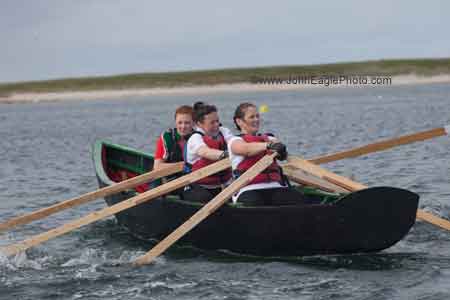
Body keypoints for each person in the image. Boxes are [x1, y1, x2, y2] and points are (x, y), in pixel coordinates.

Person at [228, 102, 305, 206]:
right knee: (255, 203)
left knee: (297, 198)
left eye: (257, 116)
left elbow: (282, 156)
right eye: (251, 117)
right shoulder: (235, 141)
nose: (256, 120)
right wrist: (268, 146)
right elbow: (246, 149)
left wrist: (281, 150)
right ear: (239, 121)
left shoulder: (270, 138)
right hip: (247, 188)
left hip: (275, 186)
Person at [183, 102, 234, 203]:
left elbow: (236, 145)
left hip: (223, 185)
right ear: (199, 124)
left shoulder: (224, 131)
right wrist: (226, 154)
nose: (216, 125)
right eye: (212, 122)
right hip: (198, 186)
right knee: (206, 200)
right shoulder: (195, 138)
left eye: (217, 121)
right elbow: (205, 152)